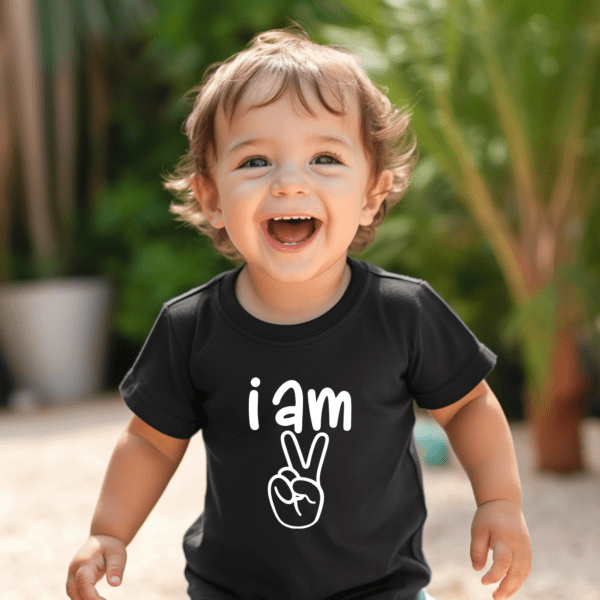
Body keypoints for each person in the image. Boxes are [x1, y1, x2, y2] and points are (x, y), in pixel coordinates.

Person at [66, 26, 532, 600]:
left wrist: (500, 502)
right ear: (211, 197)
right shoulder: (192, 328)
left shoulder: (403, 313)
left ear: (372, 194)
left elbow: (468, 407)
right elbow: (151, 442)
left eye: (325, 158)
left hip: (382, 589)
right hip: (234, 590)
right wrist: (108, 532)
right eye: (257, 160)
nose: (289, 183)